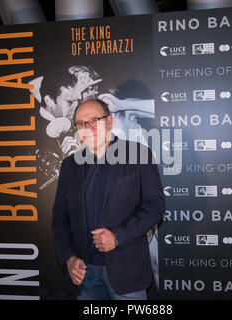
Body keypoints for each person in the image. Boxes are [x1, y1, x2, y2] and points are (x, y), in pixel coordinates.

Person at [51, 98, 165, 300]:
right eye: (81, 123)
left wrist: (117, 236)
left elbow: (155, 206)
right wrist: (68, 258)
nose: (88, 127)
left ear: (110, 121)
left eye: (95, 119)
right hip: (84, 274)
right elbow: (60, 219)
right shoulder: (70, 165)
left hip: (126, 270)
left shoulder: (138, 154)